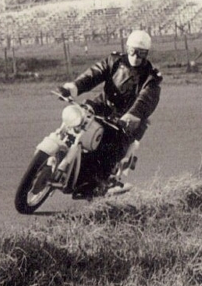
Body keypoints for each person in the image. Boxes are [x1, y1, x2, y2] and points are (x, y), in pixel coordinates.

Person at [56, 29, 162, 198]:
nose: (136, 56)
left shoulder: (151, 77)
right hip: (102, 106)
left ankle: (100, 183)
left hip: (126, 120)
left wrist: (133, 115)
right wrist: (74, 87)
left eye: (141, 53)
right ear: (127, 48)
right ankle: (57, 152)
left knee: (110, 145)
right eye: (133, 51)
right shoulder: (114, 61)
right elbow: (94, 73)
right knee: (75, 122)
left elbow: (146, 98)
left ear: (146, 53)